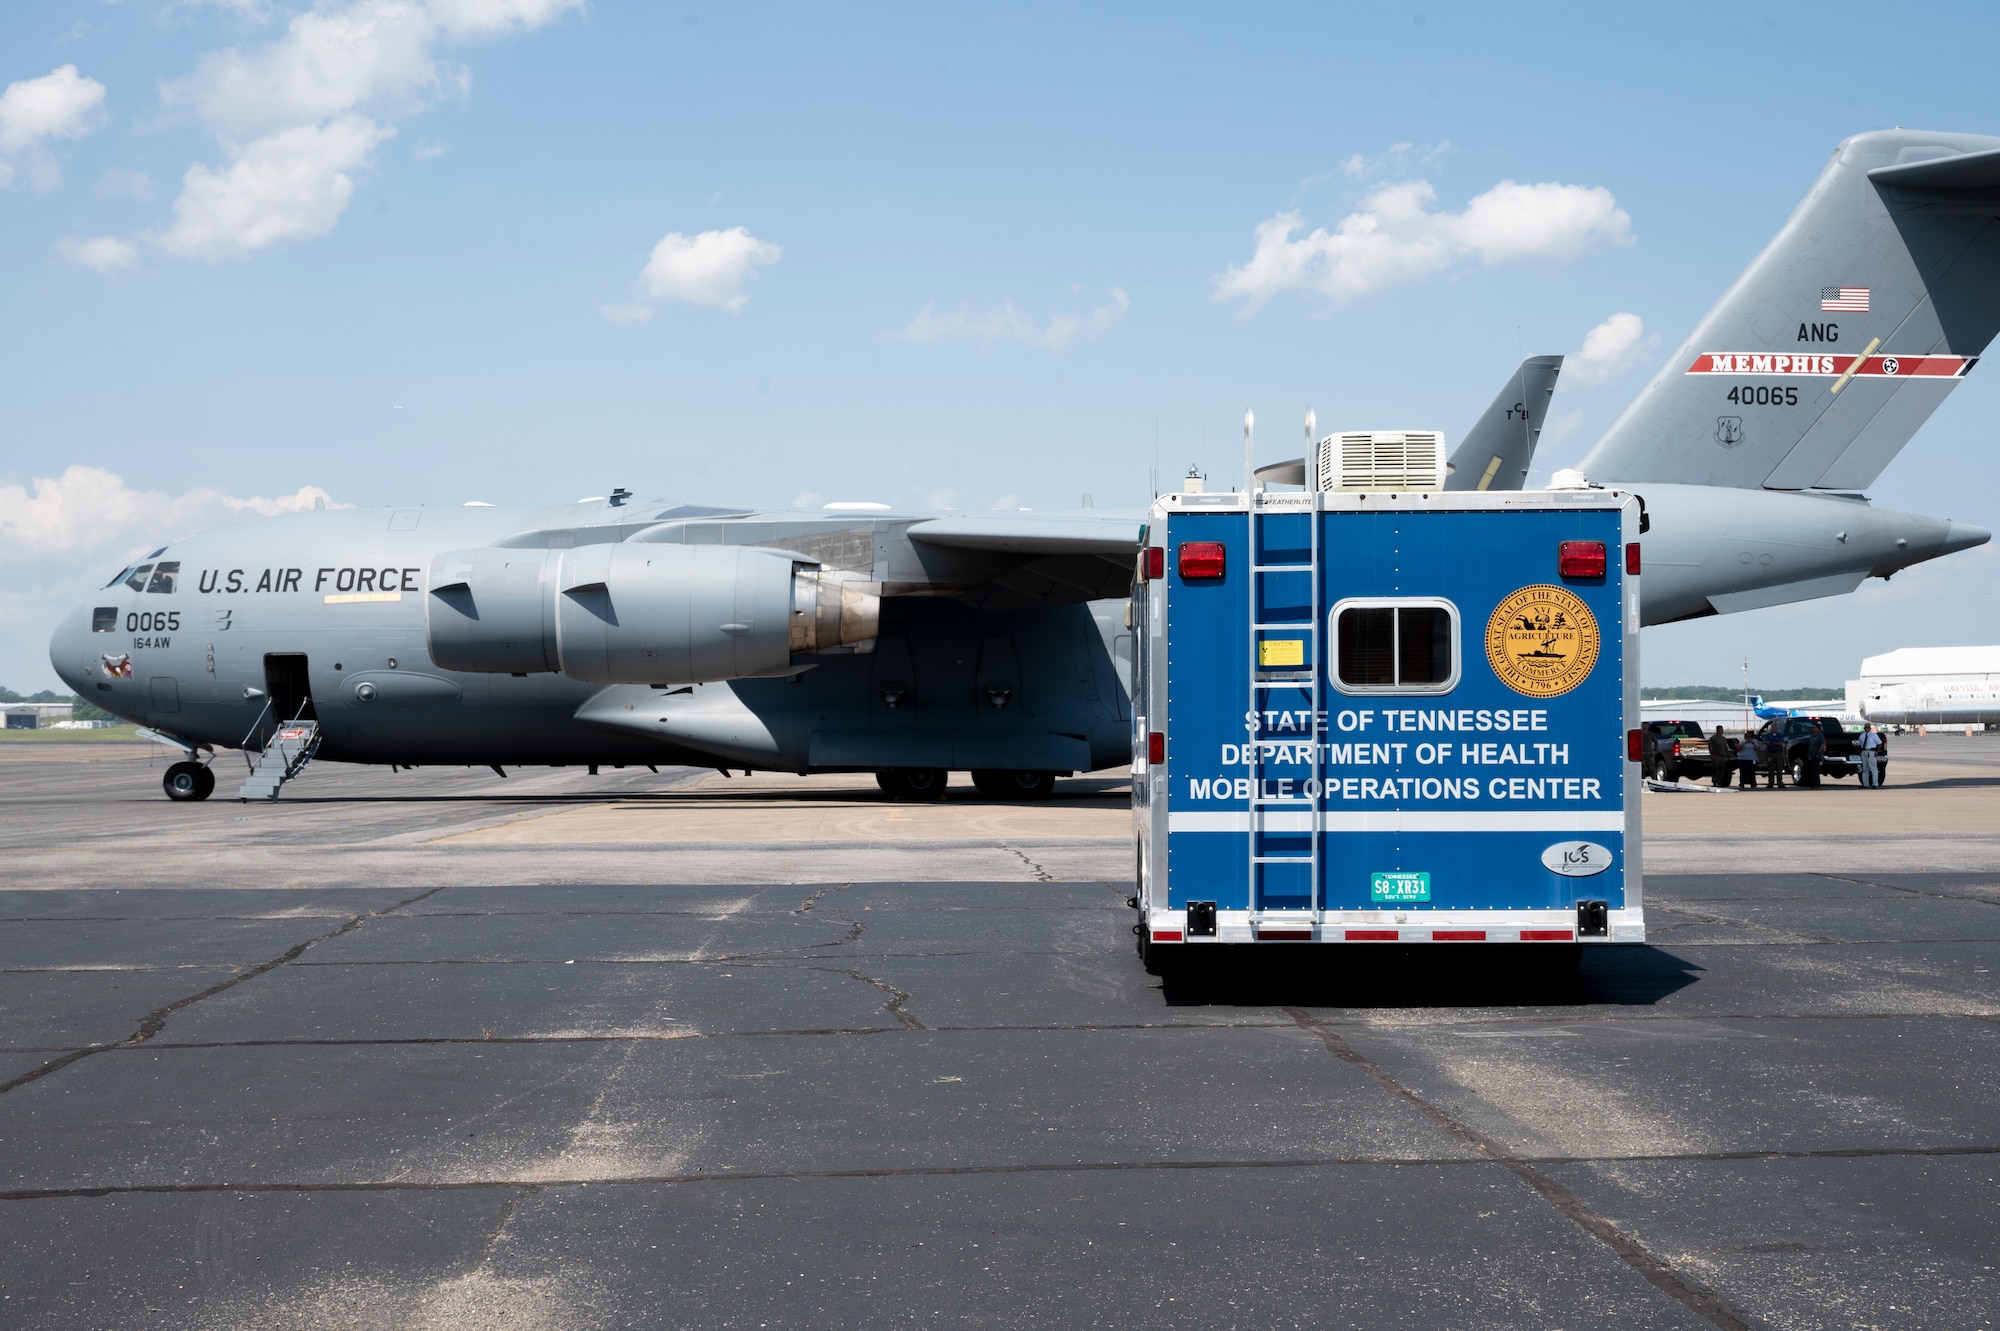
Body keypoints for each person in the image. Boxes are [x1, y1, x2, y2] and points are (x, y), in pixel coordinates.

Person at [1804, 719, 1826, 788]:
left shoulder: (1820, 736)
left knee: (1815, 770)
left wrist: (1818, 754)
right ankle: (1812, 783)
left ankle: (1816, 784)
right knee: (1811, 770)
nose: (1812, 729)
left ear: (1817, 728)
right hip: (1811, 755)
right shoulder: (1812, 736)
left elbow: (1822, 745)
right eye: (1811, 728)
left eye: (1813, 727)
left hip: (1816, 756)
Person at [1860, 722, 1882, 788]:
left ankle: (1875, 783)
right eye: (1866, 728)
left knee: (1873, 768)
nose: (1867, 729)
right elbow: (1860, 744)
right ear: (1864, 728)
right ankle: (1865, 784)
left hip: (1871, 752)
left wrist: (1877, 751)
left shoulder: (1873, 735)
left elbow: (1879, 743)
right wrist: (1860, 752)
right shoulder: (1862, 735)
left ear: (1870, 728)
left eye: (1868, 728)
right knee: (1865, 769)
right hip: (1864, 752)